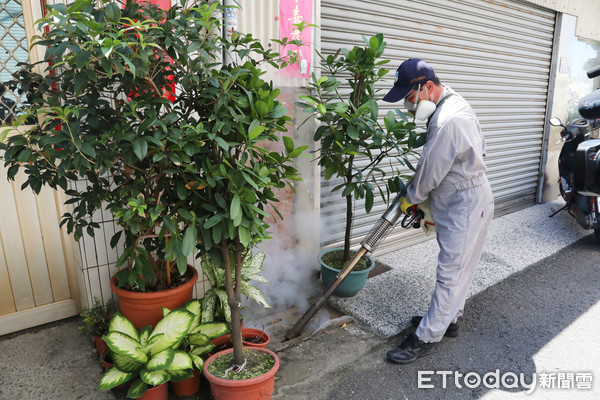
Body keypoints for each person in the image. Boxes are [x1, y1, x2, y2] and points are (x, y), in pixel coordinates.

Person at [382, 59, 494, 364]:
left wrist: (411, 198)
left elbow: (430, 171)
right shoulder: (450, 102)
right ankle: (449, 319)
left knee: (451, 272)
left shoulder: (448, 120)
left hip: (465, 203)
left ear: (428, 87)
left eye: (409, 97)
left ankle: (426, 337)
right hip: (461, 198)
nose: (408, 105)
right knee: (459, 267)